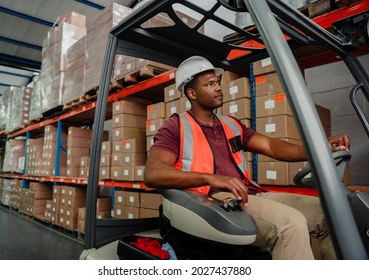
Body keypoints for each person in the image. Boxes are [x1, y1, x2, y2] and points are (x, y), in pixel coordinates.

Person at [144, 56, 351, 260]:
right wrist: (211, 178)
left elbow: (271, 146)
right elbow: (154, 173)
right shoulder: (176, 126)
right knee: (291, 223)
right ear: (192, 93)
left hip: (250, 194)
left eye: (217, 82)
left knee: (332, 214)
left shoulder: (231, 125)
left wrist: (320, 147)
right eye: (210, 84)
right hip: (215, 199)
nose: (218, 88)